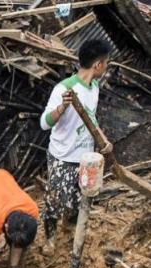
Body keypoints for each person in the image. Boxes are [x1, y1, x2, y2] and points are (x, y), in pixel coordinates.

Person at [40, 39, 112, 251]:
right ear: (98, 64)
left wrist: (103, 139)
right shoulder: (64, 88)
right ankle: (50, 239)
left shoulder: (95, 87)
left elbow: (91, 118)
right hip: (62, 156)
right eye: (106, 62)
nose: (106, 67)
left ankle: (70, 229)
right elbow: (44, 123)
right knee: (55, 201)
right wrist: (62, 107)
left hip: (84, 157)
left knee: (80, 197)